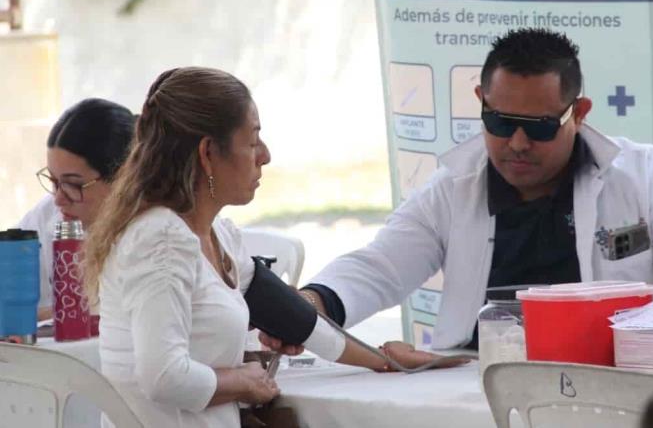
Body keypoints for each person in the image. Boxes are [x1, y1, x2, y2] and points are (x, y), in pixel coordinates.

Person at [293, 28, 653, 351]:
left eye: (539, 127)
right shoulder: (453, 188)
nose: (517, 143)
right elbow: (382, 266)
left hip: (612, 379)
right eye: (500, 123)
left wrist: (646, 341)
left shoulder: (647, 176)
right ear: (481, 100)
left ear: (578, 113)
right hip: (475, 384)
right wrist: (312, 303)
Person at [82, 67, 461, 428]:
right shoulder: (161, 241)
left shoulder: (215, 237)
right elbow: (163, 377)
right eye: (252, 140)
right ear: (208, 153)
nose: (265, 155)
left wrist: (381, 359)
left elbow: (292, 316)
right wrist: (242, 381)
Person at [17, 98, 135, 320]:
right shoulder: (48, 214)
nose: (59, 199)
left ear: (123, 178)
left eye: (74, 185)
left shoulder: (155, 231)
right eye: (53, 181)